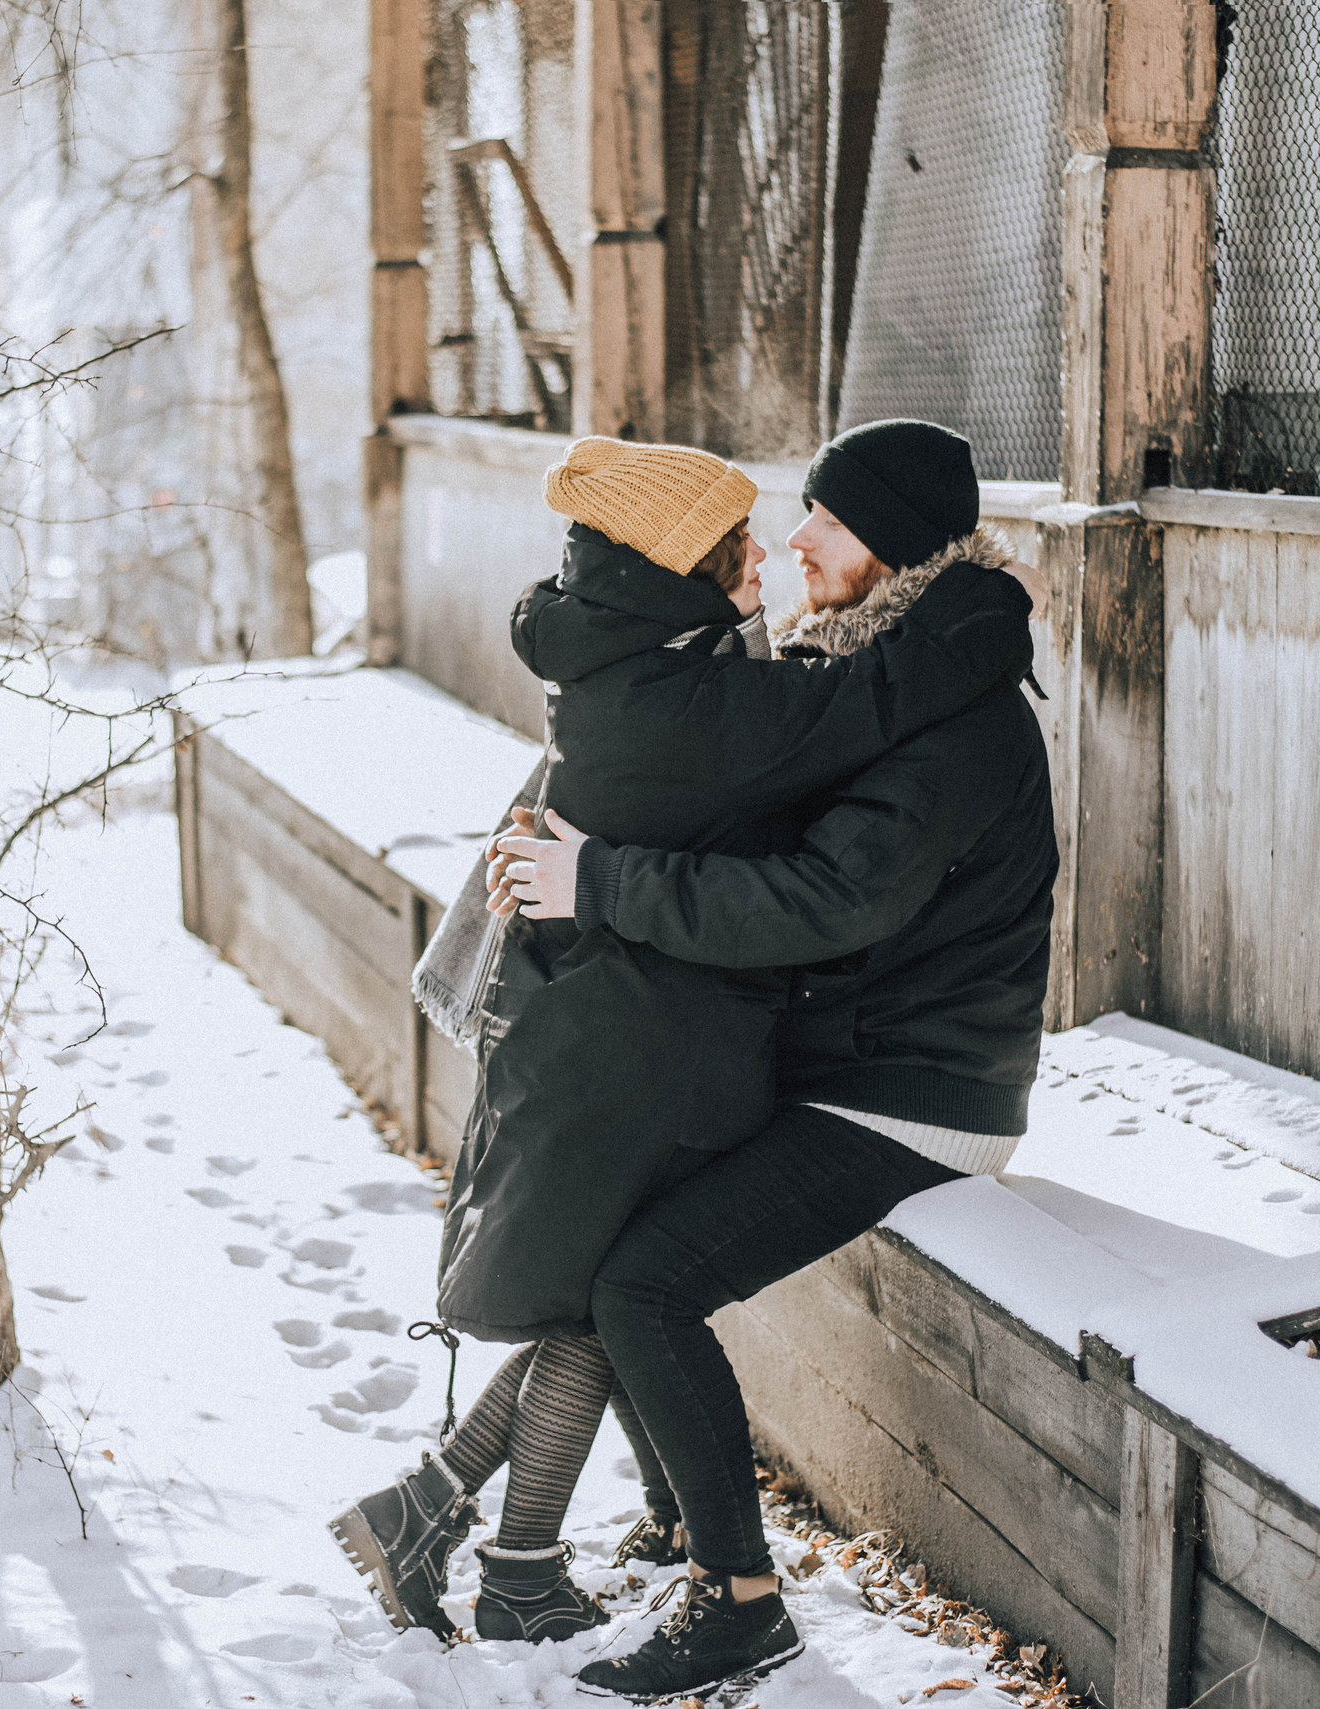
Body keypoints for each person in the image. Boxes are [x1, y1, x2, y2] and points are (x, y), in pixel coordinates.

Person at [329, 432, 1040, 1645]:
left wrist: (599, 880)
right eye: (790, 514)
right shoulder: (829, 675)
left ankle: (729, 1593)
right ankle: (507, 1521)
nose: (794, 539)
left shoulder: (945, 719)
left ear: (902, 547)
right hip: (821, 1056)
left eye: (828, 518)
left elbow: (826, 900)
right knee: (618, 1261)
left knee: (637, 1281)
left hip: (911, 1088)